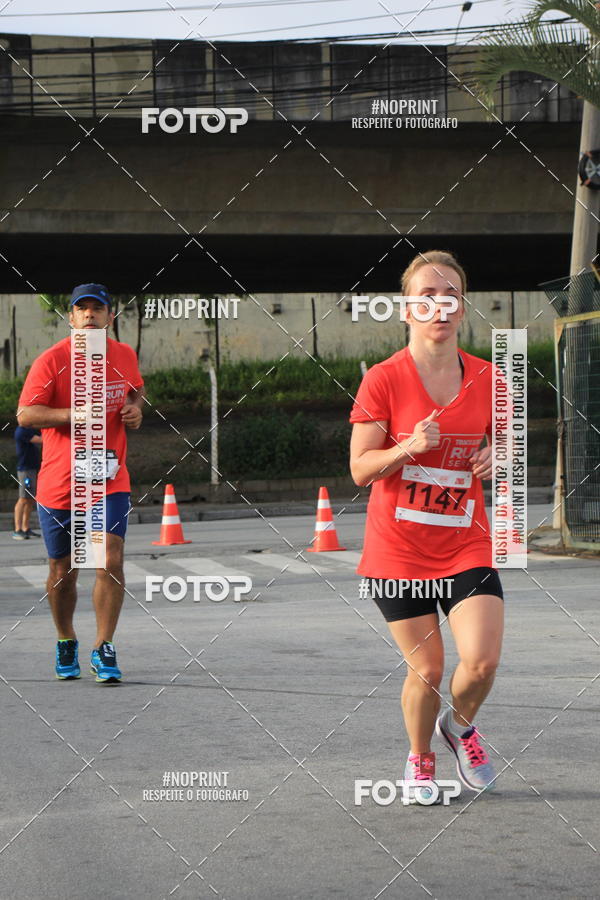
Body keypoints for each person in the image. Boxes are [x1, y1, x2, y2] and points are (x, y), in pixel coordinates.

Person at [349, 250, 503, 802]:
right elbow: (360, 469)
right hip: (399, 550)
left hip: (466, 540)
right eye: (426, 296)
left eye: (450, 295)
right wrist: (406, 446)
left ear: (462, 307)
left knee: (481, 662)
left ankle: (459, 728)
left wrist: (494, 454)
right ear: (406, 309)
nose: (439, 306)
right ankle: (419, 757)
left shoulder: (489, 377)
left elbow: (502, 444)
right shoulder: (384, 381)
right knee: (430, 670)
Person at [17, 284, 144, 684]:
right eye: (81, 309)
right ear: (71, 318)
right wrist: (74, 414)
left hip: (108, 480)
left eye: (97, 308)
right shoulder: (52, 360)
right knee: (64, 570)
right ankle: (65, 638)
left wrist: (135, 409)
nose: (89, 314)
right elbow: (25, 414)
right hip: (61, 483)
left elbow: (136, 389)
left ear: (110, 317)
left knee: (109, 556)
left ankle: (103, 646)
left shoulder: (123, 355)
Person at [13, 425, 42, 539]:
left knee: (30, 499)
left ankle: (26, 528)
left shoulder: (30, 429)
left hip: (32, 468)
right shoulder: (22, 431)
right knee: (23, 498)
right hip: (25, 470)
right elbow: (41, 440)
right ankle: (17, 530)